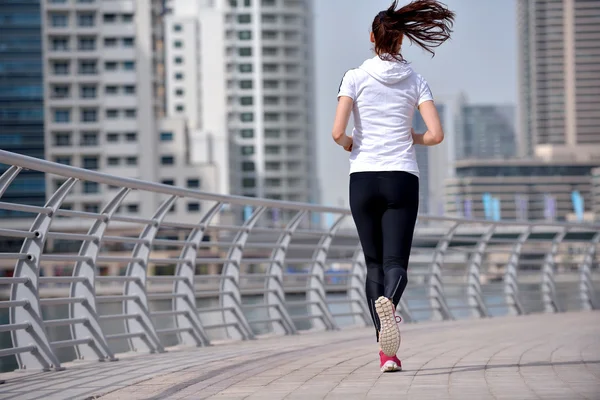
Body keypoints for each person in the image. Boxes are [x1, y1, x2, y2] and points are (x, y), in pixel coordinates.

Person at [331, 0, 454, 372]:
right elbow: (436, 135)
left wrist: (352, 144)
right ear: (401, 40)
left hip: (363, 178)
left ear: (373, 38)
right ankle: (390, 319)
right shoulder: (416, 80)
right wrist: (410, 137)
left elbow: (337, 132)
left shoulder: (353, 76)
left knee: (373, 266)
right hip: (402, 177)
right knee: (395, 263)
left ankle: (386, 353)